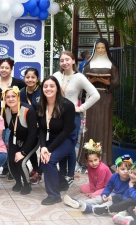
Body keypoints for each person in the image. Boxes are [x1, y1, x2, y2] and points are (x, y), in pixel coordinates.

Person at [53, 51, 100, 186]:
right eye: (62, 60)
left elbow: (95, 95)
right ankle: (62, 174)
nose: (64, 63)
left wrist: (81, 108)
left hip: (73, 117)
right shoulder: (56, 76)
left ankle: (70, 175)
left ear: (73, 61)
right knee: (60, 144)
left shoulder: (79, 77)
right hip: (58, 116)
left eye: (67, 59)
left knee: (70, 147)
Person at [79, 38, 120, 167]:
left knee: (104, 124)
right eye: (98, 48)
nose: (100, 50)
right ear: (95, 49)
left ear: (106, 49)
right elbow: (82, 80)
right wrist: (90, 81)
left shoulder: (112, 65)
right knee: (90, 124)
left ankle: (104, 160)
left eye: (103, 48)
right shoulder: (88, 64)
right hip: (91, 97)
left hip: (105, 96)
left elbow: (116, 82)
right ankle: (87, 159)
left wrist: (107, 82)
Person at [38, 76, 76, 205]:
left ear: (57, 88)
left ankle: (54, 195)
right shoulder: (41, 105)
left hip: (67, 138)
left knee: (49, 160)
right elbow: (42, 129)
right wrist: (43, 147)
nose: (48, 89)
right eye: (45, 86)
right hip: (50, 137)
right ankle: (62, 183)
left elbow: (66, 131)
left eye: (52, 86)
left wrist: (49, 150)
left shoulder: (67, 105)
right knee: (44, 159)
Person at [0, 57, 25, 180]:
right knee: (1, 144)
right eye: (2, 67)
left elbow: (23, 99)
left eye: (7, 68)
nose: (4, 70)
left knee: (10, 143)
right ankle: (5, 167)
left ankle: (13, 168)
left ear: (11, 69)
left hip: (13, 119)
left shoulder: (19, 83)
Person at [63, 155, 131, 212]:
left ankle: (91, 209)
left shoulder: (131, 181)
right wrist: (105, 194)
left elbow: (128, 196)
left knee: (108, 204)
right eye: (122, 169)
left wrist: (113, 198)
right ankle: (79, 202)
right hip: (114, 194)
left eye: (128, 169)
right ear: (117, 169)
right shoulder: (114, 176)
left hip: (122, 199)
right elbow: (109, 187)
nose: (126, 171)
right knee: (99, 198)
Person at [3, 86, 38, 195]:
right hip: (15, 139)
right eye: (7, 97)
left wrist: (23, 152)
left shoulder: (28, 110)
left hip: (31, 141)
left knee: (20, 162)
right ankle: (18, 182)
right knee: (10, 161)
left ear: (18, 97)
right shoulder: (6, 110)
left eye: (13, 96)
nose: (11, 99)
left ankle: (27, 184)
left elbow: (33, 134)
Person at [63, 139, 112, 208]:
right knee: (83, 188)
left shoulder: (102, 169)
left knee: (94, 195)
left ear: (100, 158)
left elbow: (100, 184)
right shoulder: (89, 166)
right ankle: (95, 193)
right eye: (91, 161)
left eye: (95, 160)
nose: (93, 163)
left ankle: (107, 195)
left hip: (106, 187)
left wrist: (92, 193)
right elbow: (91, 179)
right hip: (96, 185)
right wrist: (92, 190)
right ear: (87, 161)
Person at [19, 68, 42, 185]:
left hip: (42, 127)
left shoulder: (42, 91)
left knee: (42, 149)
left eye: (33, 77)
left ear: (37, 78)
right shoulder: (22, 92)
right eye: (27, 77)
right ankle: (35, 170)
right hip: (28, 127)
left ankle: (40, 170)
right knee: (31, 148)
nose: (30, 80)